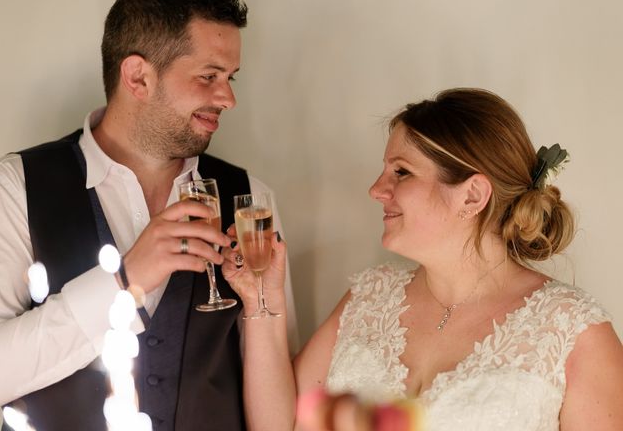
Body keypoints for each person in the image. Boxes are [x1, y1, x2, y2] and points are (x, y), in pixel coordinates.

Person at [0, 0, 298, 431]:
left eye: (230, 78)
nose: (228, 98)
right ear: (138, 76)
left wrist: (261, 306)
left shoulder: (251, 200)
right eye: (208, 76)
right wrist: (124, 280)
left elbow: (276, 418)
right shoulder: (17, 188)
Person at [222, 88, 623, 430]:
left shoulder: (572, 330)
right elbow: (280, 424)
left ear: (471, 196)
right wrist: (262, 298)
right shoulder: (369, 298)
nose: (376, 189)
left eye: (401, 172)